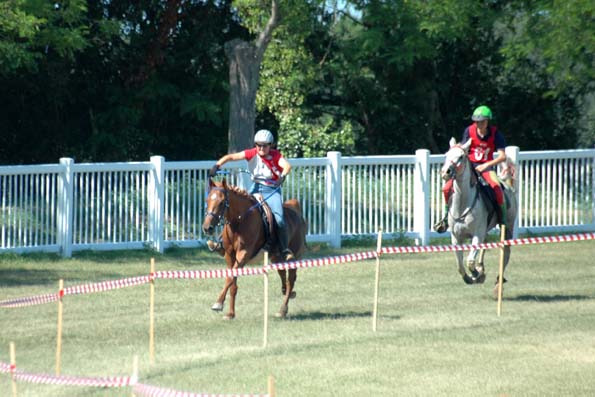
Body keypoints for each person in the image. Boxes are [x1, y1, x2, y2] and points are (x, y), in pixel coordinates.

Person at [207, 129, 295, 261]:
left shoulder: (275, 155)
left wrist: (282, 176)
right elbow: (231, 157)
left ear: (270, 145)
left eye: (264, 145)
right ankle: (221, 243)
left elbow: (287, 166)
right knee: (236, 212)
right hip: (255, 187)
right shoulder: (251, 153)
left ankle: (284, 249)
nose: (261, 148)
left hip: (272, 189)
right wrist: (217, 165)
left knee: (280, 219)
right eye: (258, 145)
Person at [434, 105, 507, 233]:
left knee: (497, 188)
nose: (479, 124)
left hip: (486, 167)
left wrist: (486, 165)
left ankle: (503, 222)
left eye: (482, 121)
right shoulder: (469, 130)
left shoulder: (496, 134)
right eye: (477, 122)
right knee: (446, 188)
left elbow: (502, 156)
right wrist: (457, 147)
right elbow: (464, 146)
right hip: (469, 165)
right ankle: (446, 219)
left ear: (487, 121)